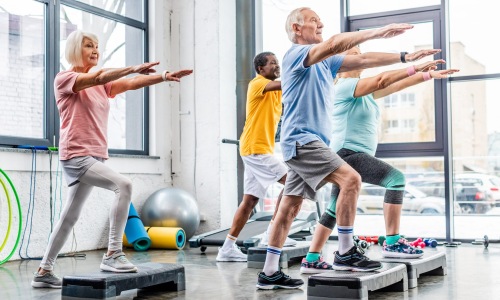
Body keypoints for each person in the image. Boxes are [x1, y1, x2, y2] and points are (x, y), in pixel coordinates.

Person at [256, 7, 441, 290]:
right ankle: (344, 251)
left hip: (306, 142)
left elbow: (363, 58)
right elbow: (333, 44)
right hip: (303, 140)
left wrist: (405, 57)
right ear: (296, 28)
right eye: (313, 21)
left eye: (321, 20)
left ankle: (269, 272)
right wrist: (379, 31)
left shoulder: (326, 64)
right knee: (351, 179)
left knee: (290, 207)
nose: (320, 24)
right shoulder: (295, 54)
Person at [31, 30, 193, 289]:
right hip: (77, 155)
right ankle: (113, 254)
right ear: (75, 49)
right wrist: (132, 67)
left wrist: (162, 77)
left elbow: (128, 84)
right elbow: (101, 76)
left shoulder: (100, 85)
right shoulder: (65, 78)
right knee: (124, 185)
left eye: (96, 46)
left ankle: (43, 271)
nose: (95, 50)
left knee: (69, 217)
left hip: (93, 156)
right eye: (88, 46)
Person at [300, 46, 460, 274]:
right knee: (396, 179)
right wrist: (414, 66)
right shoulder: (344, 86)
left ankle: (312, 258)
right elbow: (383, 79)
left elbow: (395, 85)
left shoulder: (360, 90)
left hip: (347, 153)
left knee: (335, 209)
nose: (360, 56)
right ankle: (392, 242)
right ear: (342, 63)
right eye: (354, 54)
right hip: (348, 153)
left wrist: (427, 75)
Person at [216, 52, 297, 262]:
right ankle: (272, 234)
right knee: (293, 184)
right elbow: (284, 83)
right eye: (272, 63)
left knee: (250, 201)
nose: (277, 66)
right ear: (261, 68)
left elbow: (291, 92)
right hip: (255, 148)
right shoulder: (257, 83)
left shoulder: (277, 92)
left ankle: (227, 248)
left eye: (278, 63)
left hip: (258, 149)